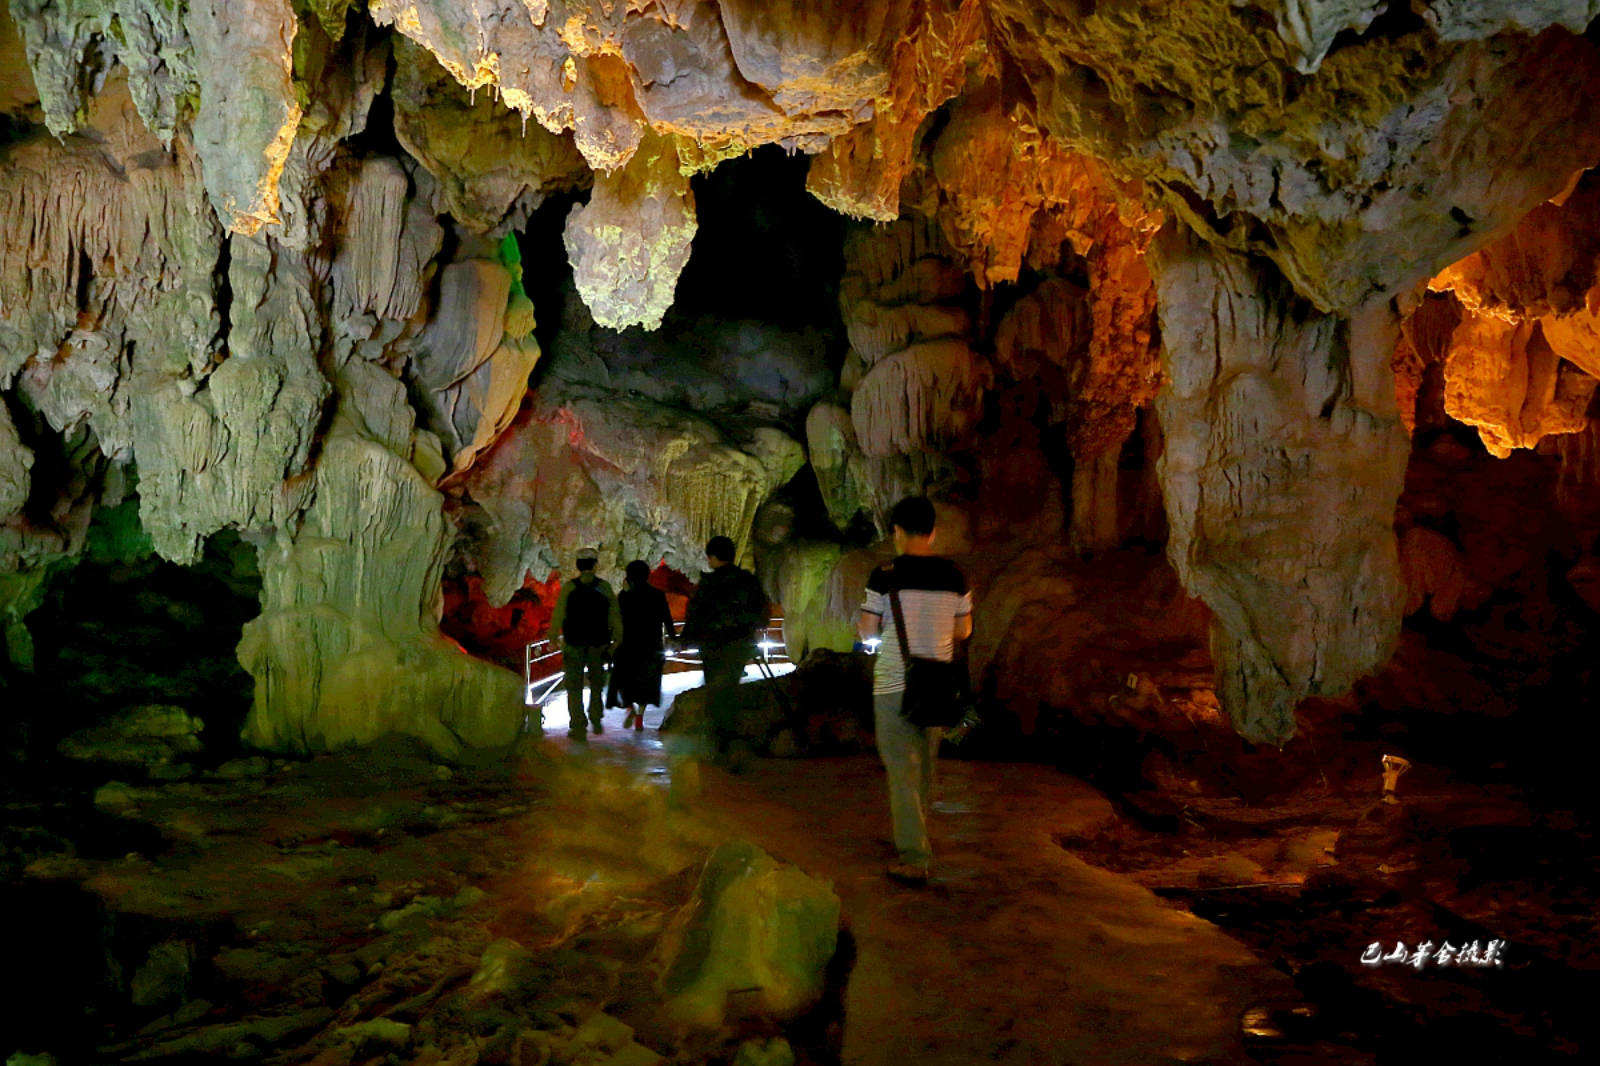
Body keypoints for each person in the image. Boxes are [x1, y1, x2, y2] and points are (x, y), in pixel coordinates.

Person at [858, 496, 972, 885]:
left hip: (894, 683)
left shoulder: (885, 574)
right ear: (934, 532)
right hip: (937, 681)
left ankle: (914, 856)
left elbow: (868, 630)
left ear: (897, 533)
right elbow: (964, 630)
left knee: (901, 771)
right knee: (924, 768)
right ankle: (916, 839)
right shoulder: (956, 575)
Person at [680, 535, 769, 761]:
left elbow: (695, 615)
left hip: (713, 645)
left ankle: (722, 741)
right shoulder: (746, 580)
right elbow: (760, 608)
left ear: (712, 557)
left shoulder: (709, 584)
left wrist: (686, 639)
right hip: (739, 643)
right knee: (729, 686)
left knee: (717, 690)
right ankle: (729, 739)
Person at [548, 547, 622, 740]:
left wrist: (553, 636)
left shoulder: (569, 588)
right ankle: (596, 717)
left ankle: (578, 725)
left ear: (578, 566)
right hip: (598, 644)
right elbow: (614, 614)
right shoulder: (604, 587)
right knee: (597, 683)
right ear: (595, 566)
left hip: (574, 644)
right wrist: (618, 638)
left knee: (574, 686)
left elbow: (558, 613)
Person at [607, 560, 677, 730]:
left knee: (628, 680)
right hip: (651, 645)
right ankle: (640, 716)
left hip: (629, 645)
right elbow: (667, 619)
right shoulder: (657, 595)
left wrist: (610, 641)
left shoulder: (624, 597)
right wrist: (673, 638)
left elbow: (615, 622)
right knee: (647, 683)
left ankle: (630, 707)